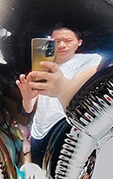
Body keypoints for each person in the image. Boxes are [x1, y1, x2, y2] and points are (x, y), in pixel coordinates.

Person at [16, 27, 101, 166]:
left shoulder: (90, 60)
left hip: (65, 126)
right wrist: (27, 97)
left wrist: (61, 89)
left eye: (68, 40)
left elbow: (80, 86)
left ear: (79, 42)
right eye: (56, 41)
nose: (61, 45)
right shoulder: (43, 65)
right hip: (39, 130)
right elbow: (29, 108)